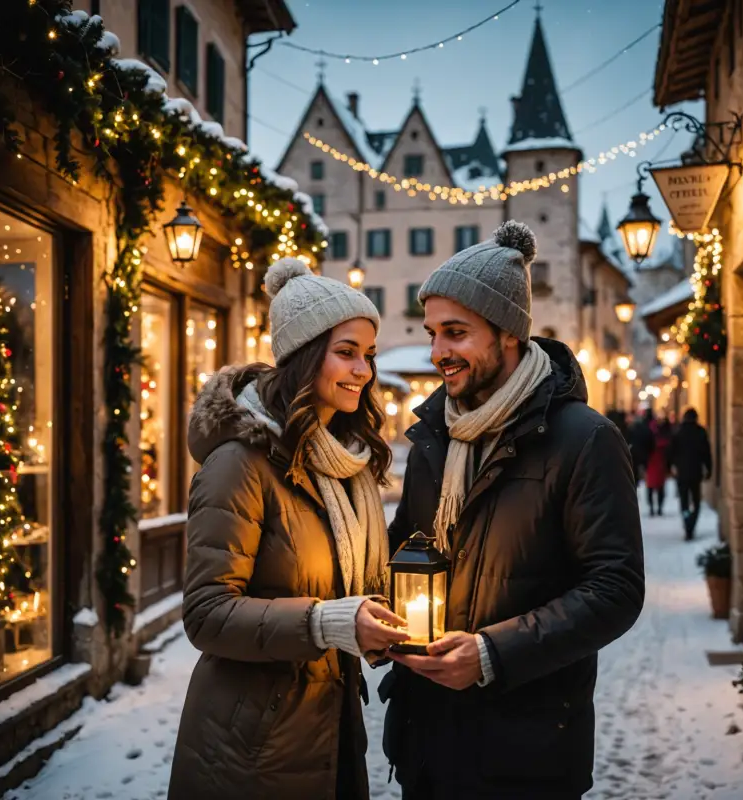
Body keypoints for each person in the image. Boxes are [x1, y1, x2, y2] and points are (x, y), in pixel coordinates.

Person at [381, 221, 645, 800]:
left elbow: (616, 589)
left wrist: (492, 653)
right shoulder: (435, 438)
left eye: (456, 333)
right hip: (426, 746)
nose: (438, 353)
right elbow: (405, 553)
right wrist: (383, 615)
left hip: (527, 755)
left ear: (509, 335)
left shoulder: (585, 438)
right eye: (432, 334)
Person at [168, 258, 409, 800]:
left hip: (330, 730)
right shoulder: (240, 463)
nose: (364, 371)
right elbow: (206, 614)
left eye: (368, 355)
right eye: (346, 352)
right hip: (253, 747)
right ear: (303, 357)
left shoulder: (342, 464)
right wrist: (328, 623)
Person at [669, 407, 712, 539]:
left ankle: (687, 521)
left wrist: (670, 467)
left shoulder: (678, 432)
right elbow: (706, 453)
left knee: (684, 502)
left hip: (682, 473)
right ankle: (691, 522)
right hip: (695, 473)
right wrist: (709, 469)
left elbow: (671, 452)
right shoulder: (700, 432)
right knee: (696, 501)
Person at [644, 412, 671, 516]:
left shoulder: (648, 435)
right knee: (659, 488)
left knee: (651, 487)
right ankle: (658, 508)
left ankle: (652, 508)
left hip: (652, 463)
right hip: (659, 463)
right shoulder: (664, 440)